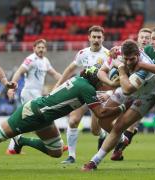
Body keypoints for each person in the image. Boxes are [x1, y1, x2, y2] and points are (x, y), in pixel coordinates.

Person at [0, 66, 126, 160]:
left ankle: (21, 140)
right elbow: (101, 113)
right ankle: (17, 138)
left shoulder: (81, 82)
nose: (103, 82)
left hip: (44, 118)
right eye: (101, 79)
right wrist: (123, 108)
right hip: (32, 113)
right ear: (95, 79)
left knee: (56, 151)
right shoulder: (86, 88)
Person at [82, 39, 155, 171]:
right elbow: (101, 72)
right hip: (126, 86)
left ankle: (94, 162)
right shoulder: (117, 53)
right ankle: (122, 139)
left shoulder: (144, 64)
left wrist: (120, 67)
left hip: (146, 95)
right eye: (125, 59)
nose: (128, 62)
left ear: (138, 55)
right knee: (103, 121)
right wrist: (111, 84)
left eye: (132, 59)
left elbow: (128, 88)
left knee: (119, 126)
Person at [54, 25, 111, 164]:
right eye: (94, 37)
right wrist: (58, 84)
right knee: (73, 121)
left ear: (103, 38)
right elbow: (70, 68)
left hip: (98, 94)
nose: (96, 39)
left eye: (99, 37)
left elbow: (113, 76)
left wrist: (110, 92)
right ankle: (71, 156)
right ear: (89, 38)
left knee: (95, 130)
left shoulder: (108, 55)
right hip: (82, 91)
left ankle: (102, 135)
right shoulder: (82, 53)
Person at [5, 38, 62, 154]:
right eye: (38, 47)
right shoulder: (30, 59)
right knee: (45, 116)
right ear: (34, 48)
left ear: (45, 49)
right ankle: (56, 143)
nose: (41, 49)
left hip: (37, 93)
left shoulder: (45, 61)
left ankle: (13, 147)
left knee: (24, 121)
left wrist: (66, 81)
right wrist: (11, 88)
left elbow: (54, 74)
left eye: (43, 48)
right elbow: (19, 72)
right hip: (29, 92)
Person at [110, 27, 152, 161]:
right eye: (142, 37)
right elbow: (115, 54)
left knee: (132, 123)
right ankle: (118, 145)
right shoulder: (129, 52)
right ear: (137, 38)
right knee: (118, 121)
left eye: (148, 38)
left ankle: (118, 150)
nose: (144, 40)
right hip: (128, 89)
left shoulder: (153, 54)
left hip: (146, 92)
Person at [133, 25, 155, 145]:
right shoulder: (149, 51)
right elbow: (134, 57)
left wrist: (142, 65)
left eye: (154, 38)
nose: (151, 42)